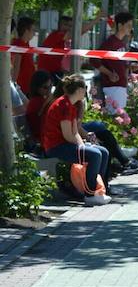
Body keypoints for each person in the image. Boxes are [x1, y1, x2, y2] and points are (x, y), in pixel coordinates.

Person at [42, 75, 112, 206]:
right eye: (85, 88)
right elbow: (68, 135)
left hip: (65, 144)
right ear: (79, 90)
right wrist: (83, 147)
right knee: (95, 155)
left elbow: (75, 132)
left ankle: (99, 190)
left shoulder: (71, 104)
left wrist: (84, 144)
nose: (86, 90)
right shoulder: (63, 105)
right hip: (56, 147)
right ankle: (89, 195)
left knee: (103, 151)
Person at [38, 13, 104, 83]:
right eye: (65, 25)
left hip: (54, 71)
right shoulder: (58, 35)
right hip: (47, 73)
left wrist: (66, 72)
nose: (68, 28)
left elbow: (54, 61)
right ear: (59, 25)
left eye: (70, 26)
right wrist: (97, 19)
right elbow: (79, 32)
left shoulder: (61, 38)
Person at [92, 11, 134, 113]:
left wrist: (130, 66)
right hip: (112, 86)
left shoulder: (121, 43)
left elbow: (121, 64)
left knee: (120, 118)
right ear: (120, 25)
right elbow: (93, 60)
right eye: (128, 25)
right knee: (116, 117)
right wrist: (109, 73)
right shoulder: (110, 42)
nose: (131, 28)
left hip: (120, 86)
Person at [11, 16, 36, 93]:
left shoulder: (26, 44)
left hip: (28, 87)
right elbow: (16, 67)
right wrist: (14, 87)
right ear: (26, 31)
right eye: (33, 30)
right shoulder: (18, 45)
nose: (34, 33)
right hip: (20, 88)